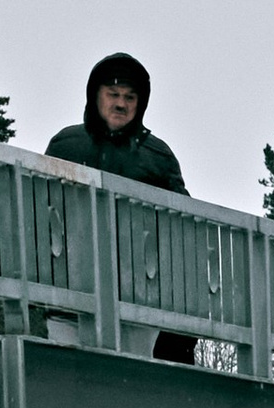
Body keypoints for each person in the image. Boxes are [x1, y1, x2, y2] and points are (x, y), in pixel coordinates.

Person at [45, 56, 196, 363]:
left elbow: (184, 228)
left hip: (136, 299)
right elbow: (40, 211)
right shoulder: (66, 146)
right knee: (68, 376)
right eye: (113, 95)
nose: (121, 104)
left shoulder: (157, 157)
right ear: (95, 95)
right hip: (69, 295)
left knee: (129, 378)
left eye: (129, 97)